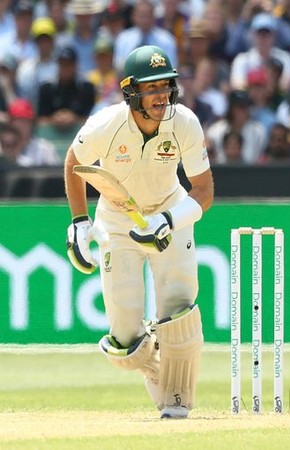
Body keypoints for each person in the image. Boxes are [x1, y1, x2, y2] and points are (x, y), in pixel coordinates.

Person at [63, 45, 214, 419]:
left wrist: (170, 220)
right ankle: (157, 362)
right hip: (116, 220)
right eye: (152, 88)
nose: (162, 95)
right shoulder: (106, 125)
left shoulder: (185, 123)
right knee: (125, 344)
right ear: (131, 91)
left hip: (169, 211)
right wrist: (80, 222)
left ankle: (176, 402)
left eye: (166, 86)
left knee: (179, 315)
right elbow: (73, 162)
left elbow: (204, 191)